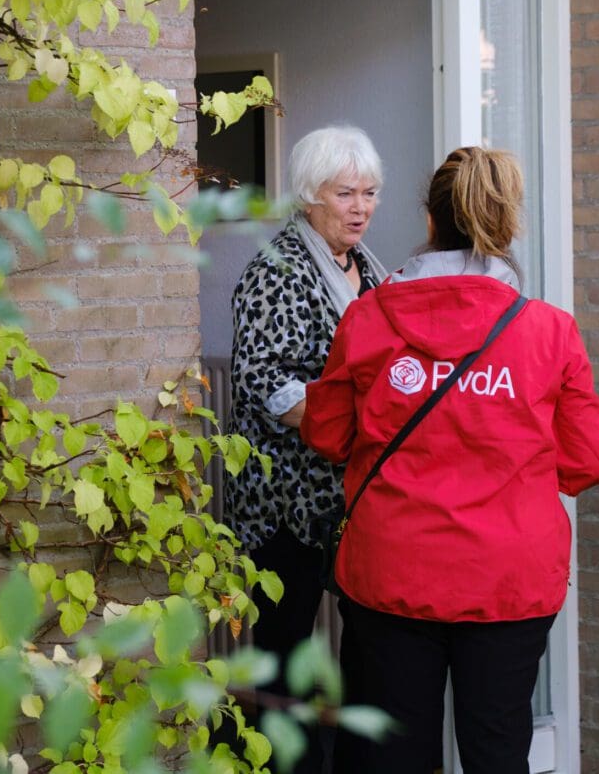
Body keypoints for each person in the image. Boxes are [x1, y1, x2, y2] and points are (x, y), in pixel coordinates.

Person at [301, 147, 599, 773]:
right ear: (505, 225)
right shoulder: (549, 331)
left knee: (392, 755)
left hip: (393, 573)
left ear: (429, 221)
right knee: (498, 749)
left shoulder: (368, 319)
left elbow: (327, 435)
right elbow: (585, 463)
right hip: (509, 580)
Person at [224, 124, 389, 773]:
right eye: (345, 192)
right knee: (288, 648)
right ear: (307, 195)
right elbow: (265, 380)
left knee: (368, 643)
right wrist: (352, 424)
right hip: (282, 499)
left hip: (345, 495)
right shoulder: (277, 269)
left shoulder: (370, 267)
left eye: (370, 192)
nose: (361, 207)